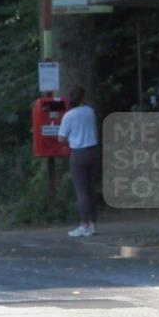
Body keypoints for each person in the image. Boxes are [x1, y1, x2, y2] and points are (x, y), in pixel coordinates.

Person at [58, 85, 100, 237]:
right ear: (82, 98)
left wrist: (70, 138)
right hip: (93, 152)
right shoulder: (90, 111)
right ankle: (93, 225)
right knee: (90, 189)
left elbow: (61, 138)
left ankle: (84, 225)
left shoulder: (68, 116)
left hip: (78, 154)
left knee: (81, 192)